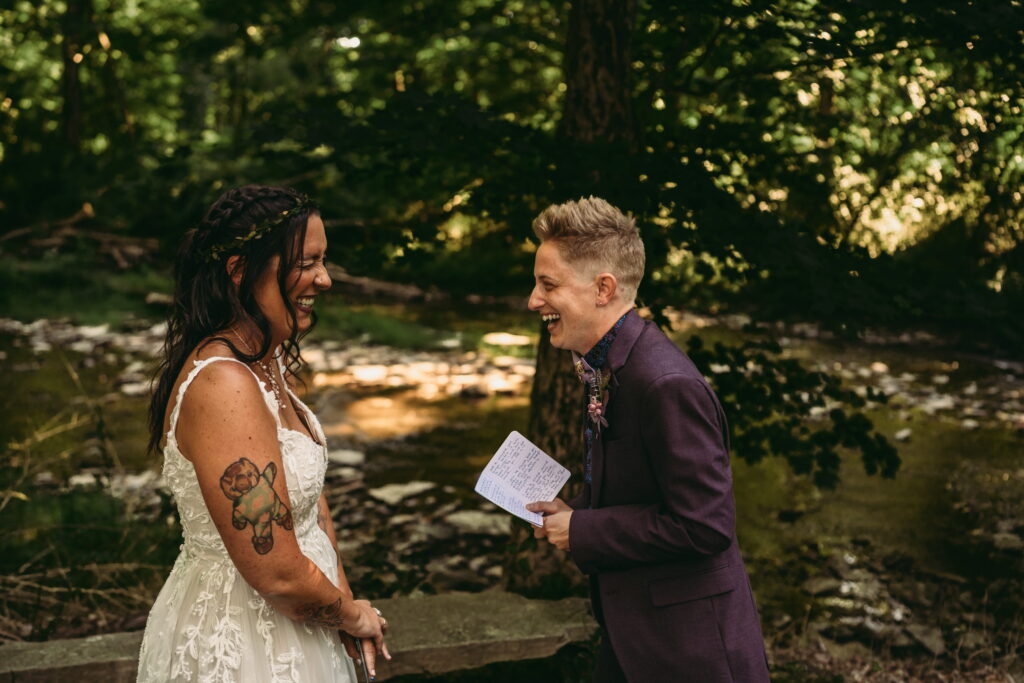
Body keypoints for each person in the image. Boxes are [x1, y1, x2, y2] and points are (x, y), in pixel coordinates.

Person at [137, 185, 390, 682]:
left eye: (324, 260)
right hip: (242, 641)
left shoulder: (269, 360)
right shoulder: (222, 384)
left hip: (308, 620)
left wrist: (342, 600)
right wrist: (353, 614)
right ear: (239, 271)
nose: (325, 279)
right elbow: (273, 570)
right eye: (307, 262)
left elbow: (311, 505)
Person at [525, 197, 770, 682]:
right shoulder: (607, 364)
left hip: (691, 649)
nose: (533, 300)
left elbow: (706, 526)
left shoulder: (665, 384)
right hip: (635, 632)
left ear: (604, 289)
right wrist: (573, 512)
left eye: (547, 284)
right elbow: (640, 492)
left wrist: (584, 531)